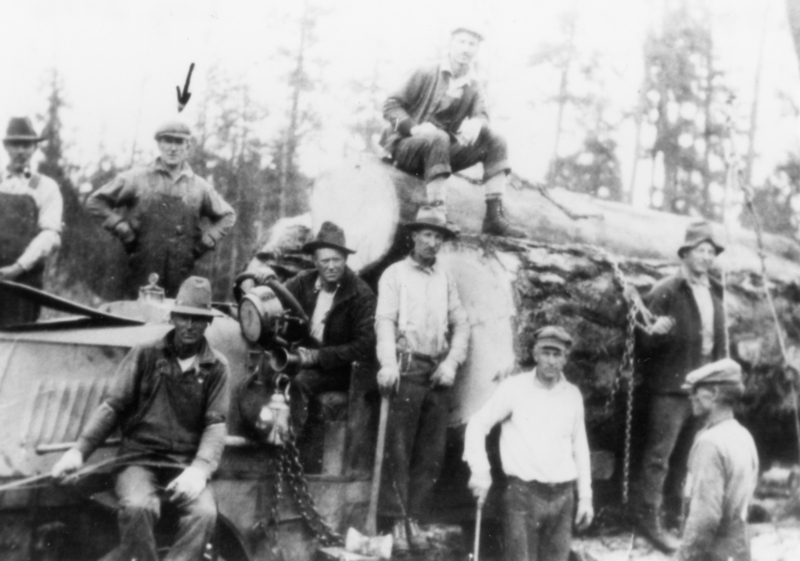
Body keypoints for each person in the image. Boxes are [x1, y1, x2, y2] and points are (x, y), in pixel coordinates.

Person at [51, 276, 230, 561]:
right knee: (138, 507)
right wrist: (78, 452)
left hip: (184, 464)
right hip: (138, 459)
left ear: (207, 323)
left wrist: (198, 471)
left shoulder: (217, 367)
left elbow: (215, 424)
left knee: (205, 514)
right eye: (184, 317)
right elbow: (113, 406)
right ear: (173, 317)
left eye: (198, 319)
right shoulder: (145, 354)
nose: (190, 325)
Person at [375, 205, 470, 552]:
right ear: (413, 236)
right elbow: (384, 321)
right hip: (405, 366)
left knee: (431, 453)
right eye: (427, 234)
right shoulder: (395, 275)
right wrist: (387, 363)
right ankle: (395, 520)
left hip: (436, 372)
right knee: (398, 447)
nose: (432, 242)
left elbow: (462, 324)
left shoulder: (445, 279)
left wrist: (453, 363)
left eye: (438, 237)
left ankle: (415, 517)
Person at [380, 22, 524, 238]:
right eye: (461, 42)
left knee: (496, 140)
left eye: (472, 44)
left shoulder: (474, 84)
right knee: (438, 137)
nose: (466, 49)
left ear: (477, 49)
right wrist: (414, 129)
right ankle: (437, 213)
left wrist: (477, 123)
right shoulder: (426, 71)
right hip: (407, 149)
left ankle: (494, 218)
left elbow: (482, 114)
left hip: (440, 154)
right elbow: (391, 105)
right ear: (450, 44)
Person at [634, 221, 728, 552]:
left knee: (688, 458)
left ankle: (677, 517)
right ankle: (648, 519)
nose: (706, 257)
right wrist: (653, 332)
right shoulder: (667, 290)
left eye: (710, 252)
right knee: (659, 456)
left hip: (702, 389)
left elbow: (719, 343)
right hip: (671, 388)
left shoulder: (716, 293)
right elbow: (641, 342)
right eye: (700, 250)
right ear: (686, 254)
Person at [463, 326, 594, 561]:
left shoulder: (572, 395)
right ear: (535, 355)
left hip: (563, 498)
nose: (551, 361)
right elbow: (477, 423)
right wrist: (480, 469)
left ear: (565, 359)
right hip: (523, 496)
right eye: (546, 353)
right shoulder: (515, 388)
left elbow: (580, 448)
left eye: (557, 354)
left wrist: (585, 496)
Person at [86, 120, 236, 298]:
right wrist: (120, 227)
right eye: (167, 141)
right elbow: (96, 202)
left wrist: (207, 240)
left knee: (175, 321)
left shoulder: (199, 187)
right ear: (159, 144)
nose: (173, 148)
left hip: (181, 272)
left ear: (187, 146)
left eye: (179, 142)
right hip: (138, 269)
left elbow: (228, 215)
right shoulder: (137, 178)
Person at [283, 221, 377, 424]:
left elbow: (364, 346)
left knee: (300, 382)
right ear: (315, 261)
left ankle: (292, 444)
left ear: (345, 259)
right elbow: (276, 297)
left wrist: (319, 357)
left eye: (337, 260)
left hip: (342, 371)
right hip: (304, 360)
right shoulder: (302, 282)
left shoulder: (361, 294)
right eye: (325, 261)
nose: (332, 266)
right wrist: (263, 281)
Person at [678, 358, 758, 561]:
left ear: (713, 394)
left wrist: (685, 557)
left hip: (714, 550)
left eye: (696, 390)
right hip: (739, 547)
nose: (691, 396)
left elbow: (705, 517)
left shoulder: (710, 443)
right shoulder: (743, 435)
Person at [0, 117, 63, 325]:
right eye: (15, 144)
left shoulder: (46, 187)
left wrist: (17, 268)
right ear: (6, 146)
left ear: (34, 147)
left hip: (24, 280)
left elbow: (49, 234)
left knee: (18, 341)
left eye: (26, 144)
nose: (20, 151)